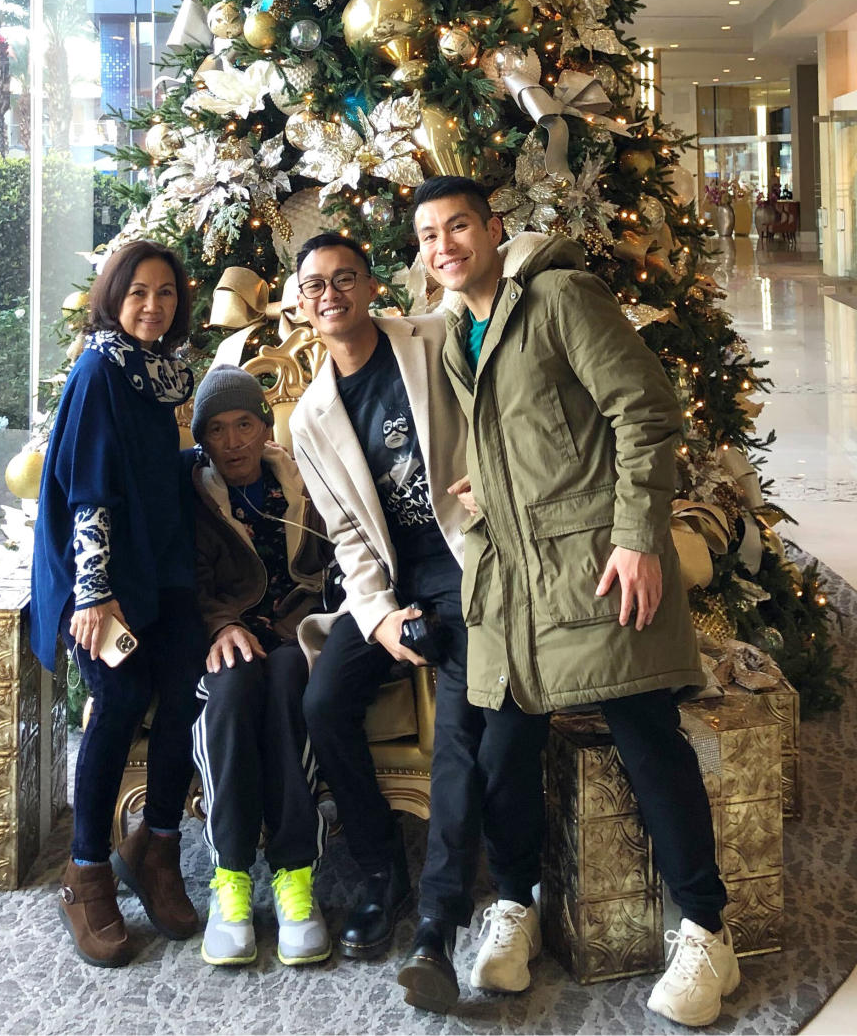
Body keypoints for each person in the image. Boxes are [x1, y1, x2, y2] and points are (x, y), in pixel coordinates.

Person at [412, 175, 739, 1029]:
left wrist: (638, 535)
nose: (444, 245)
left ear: (493, 228)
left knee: (645, 735)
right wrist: (489, 486)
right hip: (514, 580)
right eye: (428, 234)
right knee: (503, 748)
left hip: (598, 564)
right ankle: (515, 904)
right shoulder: (459, 333)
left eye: (458, 226)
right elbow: (542, 432)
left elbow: (644, 409)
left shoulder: (558, 295)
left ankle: (707, 928)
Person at [290, 232, 548, 1014]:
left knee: (460, 742)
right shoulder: (308, 416)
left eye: (344, 279)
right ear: (299, 305)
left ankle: (435, 927)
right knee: (323, 700)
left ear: (372, 286)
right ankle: (380, 869)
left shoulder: (431, 337)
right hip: (393, 591)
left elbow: (524, 257)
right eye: (314, 286)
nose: (330, 294)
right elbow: (344, 534)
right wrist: (375, 619)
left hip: (474, 570)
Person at [30, 239, 207, 968]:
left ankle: (156, 844)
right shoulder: (103, 368)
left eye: (165, 292)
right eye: (138, 291)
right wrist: (95, 595)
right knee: (123, 692)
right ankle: (86, 870)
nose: (152, 305)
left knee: (187, 686)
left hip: (160, 567)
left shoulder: (160, 376)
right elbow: (89, 489)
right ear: (113, 294)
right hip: (97, 573)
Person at [186, 364, 332, 969]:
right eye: (217, 430)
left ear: (264, 425)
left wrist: (312, 628)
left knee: (285, 684)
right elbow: (181, 580)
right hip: (222, 635)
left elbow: (338, 563)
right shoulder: (189, 495)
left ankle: (296, 875)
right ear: (203, 439)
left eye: (245, 424)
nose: (234, 441)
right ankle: (231, 878)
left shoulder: (303, 484)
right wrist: (218, 625)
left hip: (294, 635)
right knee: (231, 690)